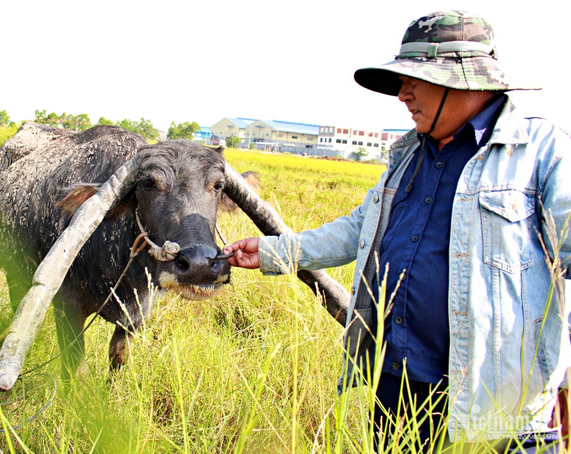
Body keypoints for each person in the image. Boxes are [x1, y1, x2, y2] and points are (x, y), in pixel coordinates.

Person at [223, 10, 570, 452]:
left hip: (497, 406)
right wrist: (274, 251)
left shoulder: (540, 153)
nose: (403, 93)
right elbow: (356, 229)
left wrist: (561, 370)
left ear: (464, 79)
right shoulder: (408, 156)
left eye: (416, 79)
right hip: (399, 384)